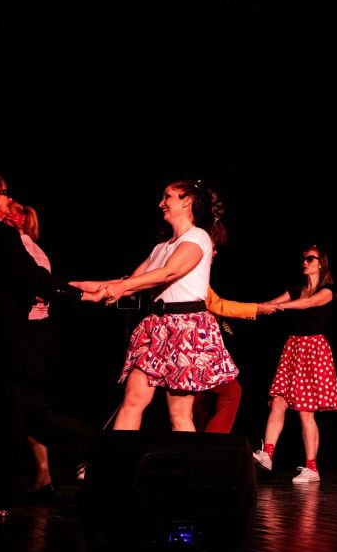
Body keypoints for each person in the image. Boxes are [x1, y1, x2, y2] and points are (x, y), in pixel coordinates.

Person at [0, 171, 95, 518]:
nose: (8, 197)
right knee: (5, 420)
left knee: (28, 414)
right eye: (3, 191)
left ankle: (93, 448)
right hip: (4, 340)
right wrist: (78, 295)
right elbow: (30, 276)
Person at [82, 179, 238, 432]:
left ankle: (188, 459)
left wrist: (121, 287)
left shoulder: (198, 237)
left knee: (179, 413)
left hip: (186, 328)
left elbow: (168, 273)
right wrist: (82, 287)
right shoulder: (160, 248)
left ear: (186, 201)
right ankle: (119, 457)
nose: (161, 203)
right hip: (155, 327)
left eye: (168, 197)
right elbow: (130, 283)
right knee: (133, 399)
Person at [251, 245, 337, 484]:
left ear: (321, 263)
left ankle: (312, 469)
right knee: (278, 401)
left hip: (313, 350)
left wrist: (281, 306)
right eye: (303, 258)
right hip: (293, 348)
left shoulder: (327, 291)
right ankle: (267, 455)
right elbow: (272, 303)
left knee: (305, 412)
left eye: (310, 258)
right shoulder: (295, 289)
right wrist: (254, 309)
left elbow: (307, 304)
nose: (305, 262)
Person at [193, 288, 278, 433]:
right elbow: (219, 305)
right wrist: (258, 308)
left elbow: (222, 308)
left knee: (224, 394)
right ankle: (210, 442)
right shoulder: (195, 282)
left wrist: (260, 308)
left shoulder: (223, 324)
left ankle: (210, 441)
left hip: (208, 355)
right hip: (195, 348)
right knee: (194, 404)